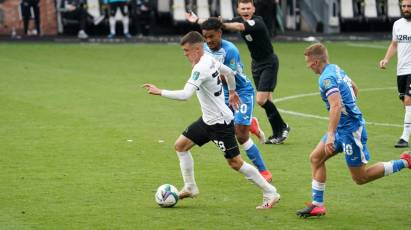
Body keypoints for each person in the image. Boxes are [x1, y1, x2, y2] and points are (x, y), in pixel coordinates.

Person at [143, 31, 280, 209]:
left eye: (186, 50)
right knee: (180, 146)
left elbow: (185, 95)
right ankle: (190, 187)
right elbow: (230, 72)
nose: (184, 54)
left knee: (235, 162)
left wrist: (160, 91)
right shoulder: (208, 58)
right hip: (208, 120)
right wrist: (231, 92)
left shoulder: (200, 68)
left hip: (220, 123)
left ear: (197, 49)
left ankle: (270, 192)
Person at [297, 42, 411, 218]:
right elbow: (354, 88)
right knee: (316, 158)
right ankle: (317, 205)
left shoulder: (326, 79)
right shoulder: (335, 68)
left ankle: (405, 161)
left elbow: (335, 106)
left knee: (360, 178)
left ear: (316, 62)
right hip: (343, 127)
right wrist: (350, 107)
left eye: (309, 63)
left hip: (350, 131)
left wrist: (332, 135)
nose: (308, 66)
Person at [189, 17, 273, 182]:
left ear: (220, 33)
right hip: (223, 92)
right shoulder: (204, 49)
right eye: (205, 37)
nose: (208, 40)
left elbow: (230, 75)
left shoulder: (230, 50)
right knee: (229, 128)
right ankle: (250, 124)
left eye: (211, 36)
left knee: (241, 136)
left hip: (240, 91)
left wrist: (208, 75)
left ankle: (264, 171)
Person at [222, 0, 290, 144]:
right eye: (243, 8)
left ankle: (283, 127)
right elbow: (225, 23)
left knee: (261, 100)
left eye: (248, 8)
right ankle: (278, 133)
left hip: (269, 63)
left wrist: (221, 24)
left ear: (253, 9)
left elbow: (239, 26)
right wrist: (200, 20)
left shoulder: (257, 22)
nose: (246, 11)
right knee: (268, 100)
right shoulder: (238, 20)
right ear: (238, 10)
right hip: (256, 64)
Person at [379, 0, 411, 148]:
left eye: (409, 6)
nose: (406, 9)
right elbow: (394, 44)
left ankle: (404, 138)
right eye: (404, 6)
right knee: (405, 105)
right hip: (401, 70)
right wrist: (386, 59)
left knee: (408, 100)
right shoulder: (397, 24)